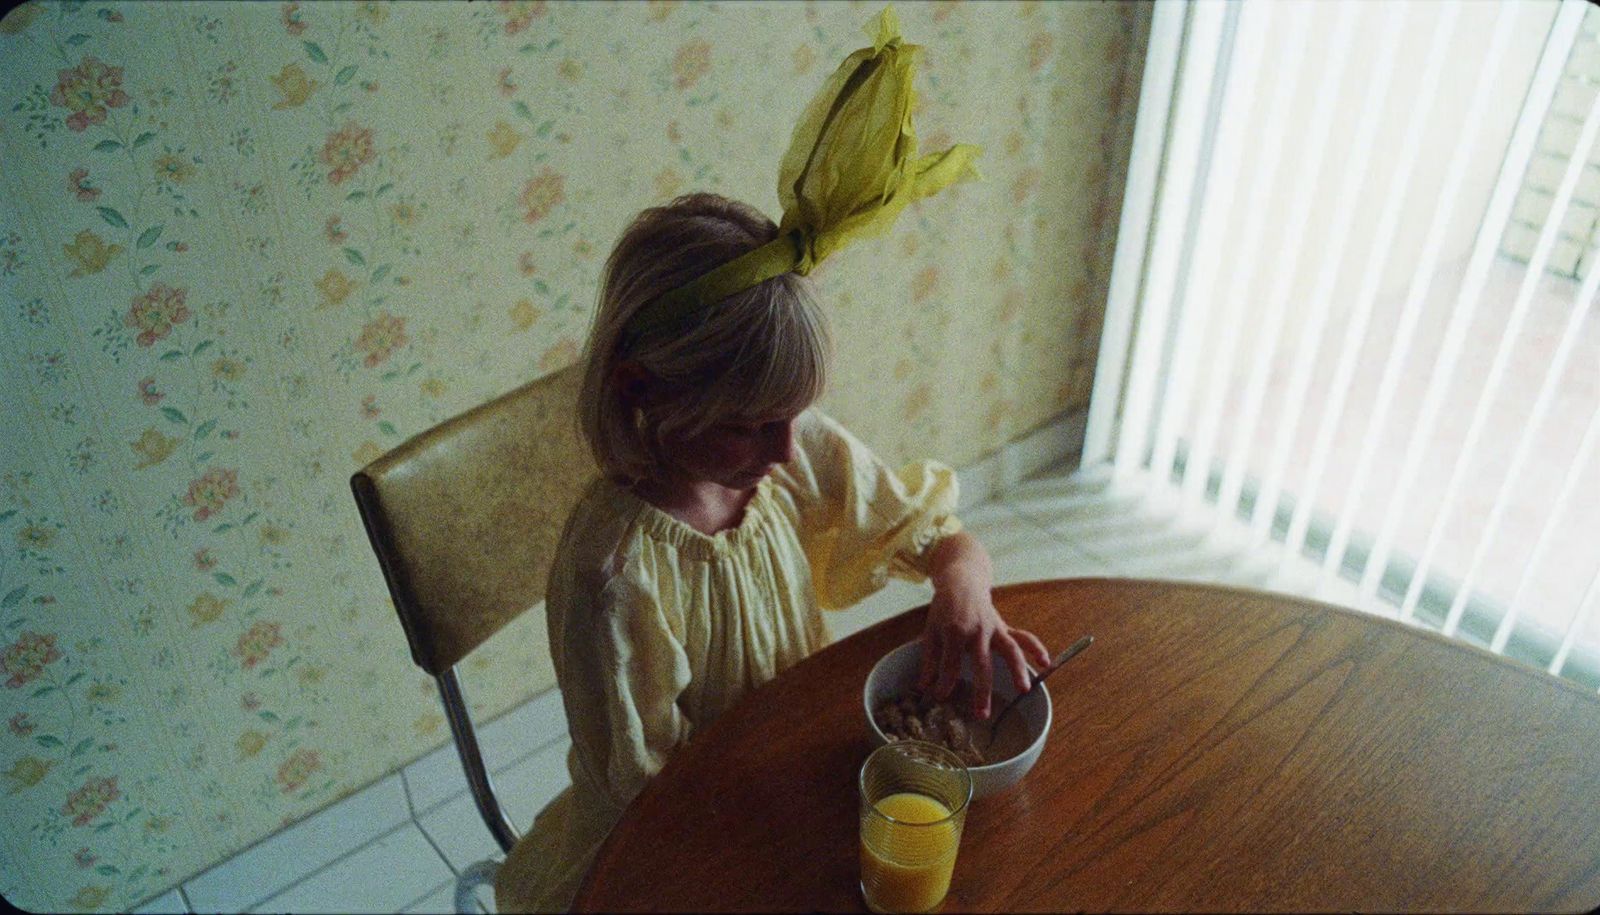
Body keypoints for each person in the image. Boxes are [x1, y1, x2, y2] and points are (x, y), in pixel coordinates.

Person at [495, 9, 1049, 911]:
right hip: (683, 848)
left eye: (797, 416)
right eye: (753, 426)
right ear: (644, 392)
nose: (791, 450)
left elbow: (943, 535)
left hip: (788, 773)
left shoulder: (778, 454)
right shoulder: (615, 580)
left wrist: (963, 589)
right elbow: (654, 807)